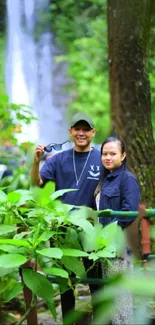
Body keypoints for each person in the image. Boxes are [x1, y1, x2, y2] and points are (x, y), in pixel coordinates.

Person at [31, 112, 102, 324]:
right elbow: (37, 186)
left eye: (85, 129)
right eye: (77, 129)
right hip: (62, 229)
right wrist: (36, 162)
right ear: (70, 132)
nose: (81, 133)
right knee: (66, 282)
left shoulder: (102, 157)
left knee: (96, 281)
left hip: (92, 229)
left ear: (93, 132)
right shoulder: (58, 159)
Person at [94, 136, 140, 325]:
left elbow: (129, 213)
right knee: (113, 300)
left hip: (119, 247)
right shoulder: (106, 179)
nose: (108, 157)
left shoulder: (126, 179)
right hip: (106, 248)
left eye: (113, 154)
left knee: (121, 301)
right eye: (105, 154)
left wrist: (108, 231)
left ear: (123, 156)